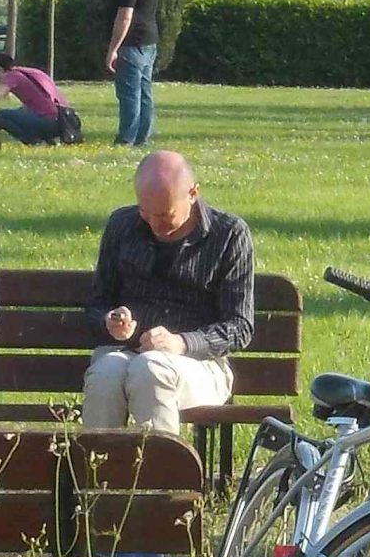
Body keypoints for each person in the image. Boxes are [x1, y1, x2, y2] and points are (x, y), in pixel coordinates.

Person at [81, 151, 253, 435]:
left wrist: (183, 343)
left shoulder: (229, 235)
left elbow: (240, 326)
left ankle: (157, 476)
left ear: (193, 193)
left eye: (165, 215)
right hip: (126, 352)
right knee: (105, 374)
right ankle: (97, 474)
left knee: (151, 368)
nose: (154, 224)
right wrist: (110, 321)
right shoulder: (122, 226)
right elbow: (97, 302)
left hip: (200, 365)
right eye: (145, 213)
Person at [103, 0, 161, 148]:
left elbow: (125, 16)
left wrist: (113, 49)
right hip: (149, 41)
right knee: (145, 93)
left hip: (131, 44)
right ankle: (142, 137)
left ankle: (126, 139)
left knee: (129, 95)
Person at [0, 53, 80, 146]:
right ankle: (49, 141)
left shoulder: (12, 76)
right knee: (22, 110)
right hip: (63, 122)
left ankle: (35, 141)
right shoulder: (32, 72)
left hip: (48, 122)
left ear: (0, 70)